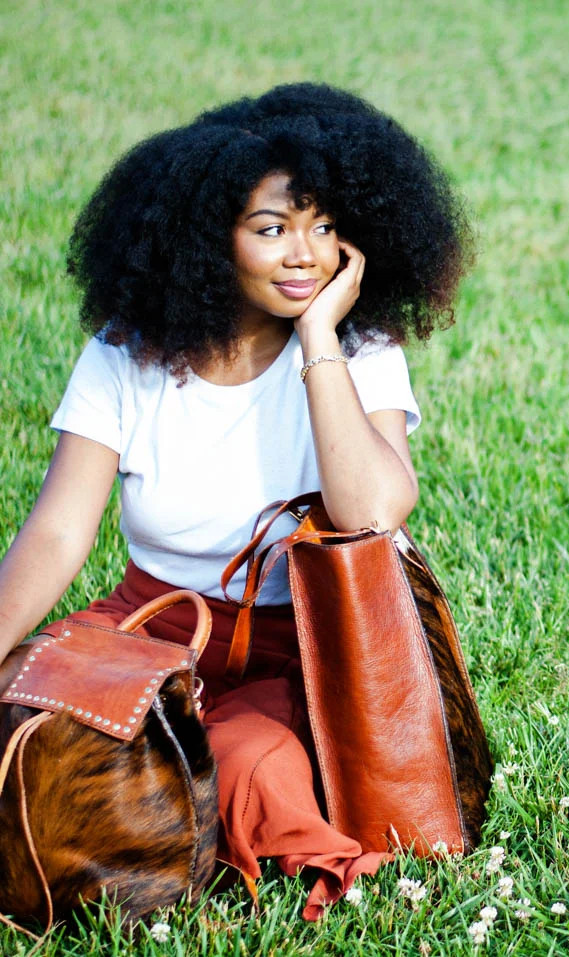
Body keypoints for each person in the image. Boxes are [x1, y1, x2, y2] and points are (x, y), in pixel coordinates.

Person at [0, 83, 473, 920]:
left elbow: (371, 510)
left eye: (324, 227)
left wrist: (319, 342)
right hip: (148, 631)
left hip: (307, 648)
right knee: (30, 722)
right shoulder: (128, 354)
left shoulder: (361, 348)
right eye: (271, 229)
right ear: (208, 238)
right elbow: (59, 531)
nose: (304, 254)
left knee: (251, 763)